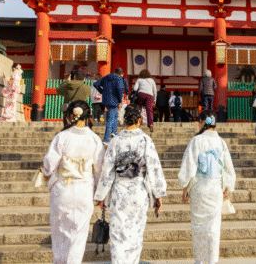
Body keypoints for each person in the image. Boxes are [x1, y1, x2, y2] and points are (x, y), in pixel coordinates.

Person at [94, 104, 167, 264]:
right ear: (140, 120)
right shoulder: (145, 140)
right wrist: (158, 194)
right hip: (138, 192)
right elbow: (154, 168)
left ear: (123, 120)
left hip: (119, 192)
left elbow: (107, 171)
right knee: (135, 235)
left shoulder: (115, 142)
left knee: (118, 236)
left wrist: (101, 196)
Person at [42, 100, 105, 264]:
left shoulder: (61, 137)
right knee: (78, 237)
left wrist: (45, 173)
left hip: (62, 190)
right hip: (84, 192)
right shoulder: (94, 139)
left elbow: (49, 166)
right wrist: (101, 194)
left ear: (71, 116)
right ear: (88, 117)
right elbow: (99, 170)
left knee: (59, 234)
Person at [178, 110, 236, 264]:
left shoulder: (196, 141)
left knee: (198, 229)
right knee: (213, 230)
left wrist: (185, 189)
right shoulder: (221, 142)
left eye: (199, 121)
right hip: (215, 189)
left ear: (203, 122)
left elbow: (189, 167)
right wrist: (227, 188)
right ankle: (212, 261)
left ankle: (200, 261)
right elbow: (228, 168)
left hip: (199, 190)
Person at [93, 67, 125, 146]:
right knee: (111, 119)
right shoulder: (119, 79)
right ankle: (106, 139)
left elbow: (95, 84)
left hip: (106, 99)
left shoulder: (106, 77)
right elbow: (120, 90)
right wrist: (120, 99)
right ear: (121, 74)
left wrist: (103, 92)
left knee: (115, 115)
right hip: (114, 100)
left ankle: (114, 132)